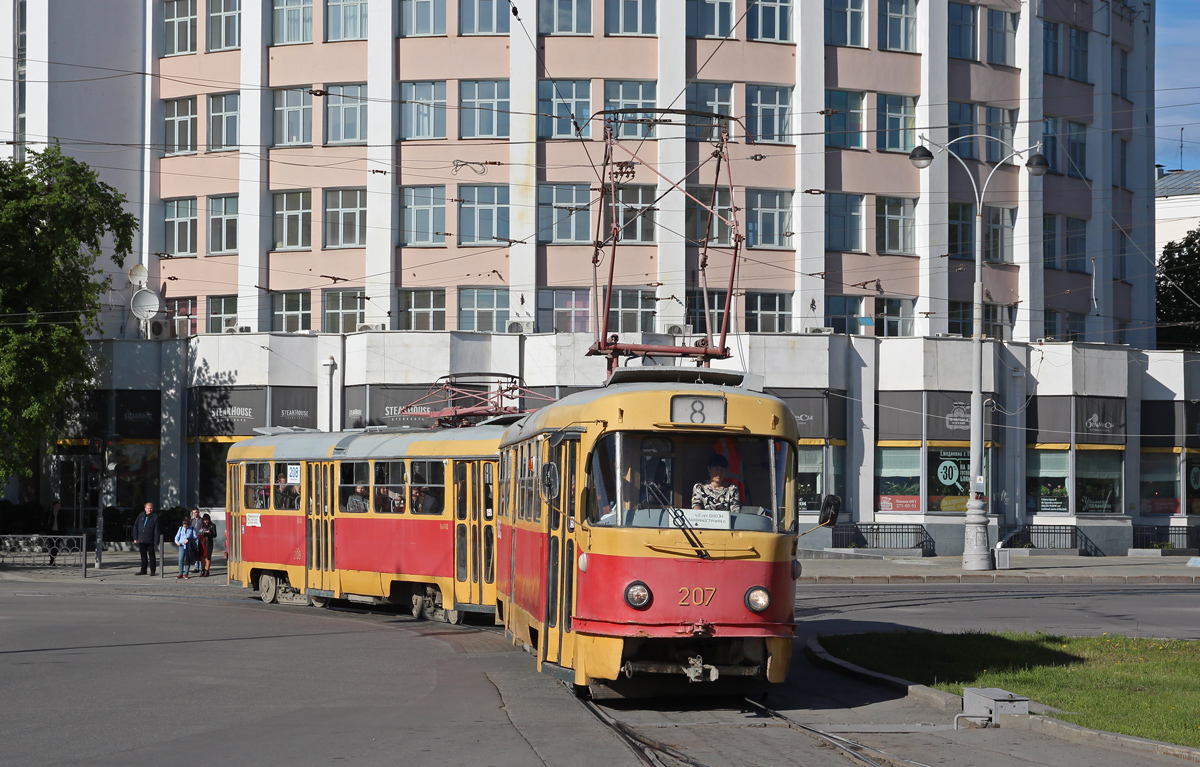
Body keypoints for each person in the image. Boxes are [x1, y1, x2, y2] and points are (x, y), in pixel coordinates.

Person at [132, 502, 160, 576]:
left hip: (150, 539)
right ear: (145, 509)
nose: (149, 510)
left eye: (151, 508)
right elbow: (136, 526)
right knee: (143, 555)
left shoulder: (155, 516)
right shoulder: (141, 515)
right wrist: (135, 537)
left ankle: (152, 570)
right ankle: (143, 570)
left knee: (151, 555)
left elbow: (156, 529)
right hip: (141, 539)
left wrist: (156, 540)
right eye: (148, 508)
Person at [45, 500, 62, 566]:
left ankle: (54, 559)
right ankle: (51, 560)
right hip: (51, 532)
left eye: (59, 505)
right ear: (54, 506)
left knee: (56, 547)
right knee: (51, 546)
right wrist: (46, 531)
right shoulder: (49, 513)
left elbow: (63, 522)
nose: (58, 507)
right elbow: (46, 522)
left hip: (58, 532)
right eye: (57, 505)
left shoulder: (60, 513)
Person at [189, 507, 203, 572]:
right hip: (193, 538)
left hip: (200, 537)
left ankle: (201, 566)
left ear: (198, 512)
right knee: (195, 552)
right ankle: (196, 567)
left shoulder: (201, 520)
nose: (195, 514)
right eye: (194, 512)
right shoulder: (192, 521)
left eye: (196, 512)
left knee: (200, 552)